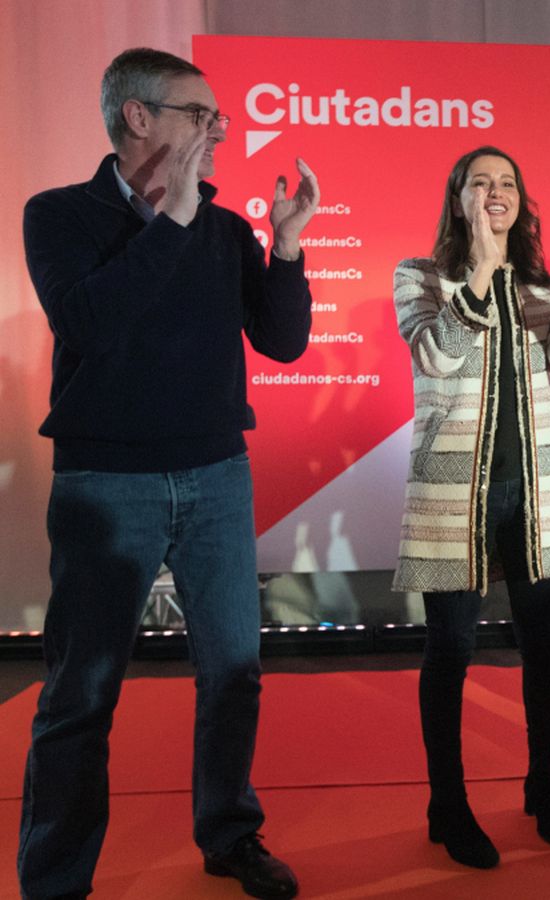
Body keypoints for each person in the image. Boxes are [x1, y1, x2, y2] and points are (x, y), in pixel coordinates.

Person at [18, 47, 318, 900]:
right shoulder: (60, 215)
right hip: (107, 486)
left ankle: (230, 834)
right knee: (81, 694)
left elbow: (283, 342)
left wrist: (287, 247)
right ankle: (55, 879)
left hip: (218, 476)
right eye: (201, 115)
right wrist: (172, 223)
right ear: (138, 116)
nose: (219, 130)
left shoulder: (224, 229)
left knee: (234, 674)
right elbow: (90, 324)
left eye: (219, 117)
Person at [392, 146, 550, 869]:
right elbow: (436, 356)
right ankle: (447, 804)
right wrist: (482, 270)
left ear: (521, 201)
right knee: (450, 650)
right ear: (457, 198)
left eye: (507, 182)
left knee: (544, 647)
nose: (496, 192)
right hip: (454, 497)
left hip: (535, 494)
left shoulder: (536, 286)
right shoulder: (419, 277)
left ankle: (544, 785)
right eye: (480, 182)